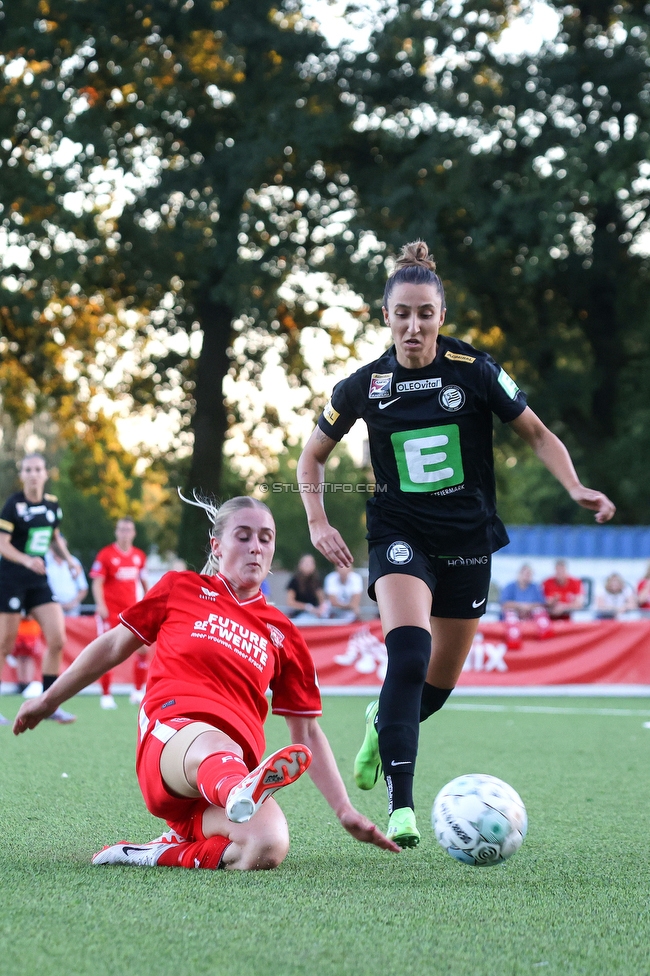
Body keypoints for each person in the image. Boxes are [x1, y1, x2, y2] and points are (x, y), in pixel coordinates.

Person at [297, 240, 616, 848]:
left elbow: (538, 433)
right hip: (398, 533)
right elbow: (312, 457)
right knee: (409, 657)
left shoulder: (475, 371)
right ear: (385, 316)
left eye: (424, 314)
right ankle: (402, 807)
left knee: (434, 689)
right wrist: (317, 520)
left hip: (468, 538)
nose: (413, 326)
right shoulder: (363, 386)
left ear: (441, 316)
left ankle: (378, 722)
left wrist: (574, 485)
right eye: (401, 314)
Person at [13, 495, 399, 870]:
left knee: (267, 845)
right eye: (243, 536)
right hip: (170, 741)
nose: (255, 548)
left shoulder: (284, 633)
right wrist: (48, 700)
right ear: (216, 545)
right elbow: (114, 644)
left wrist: (344, 809)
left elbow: (308, 733)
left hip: (225, 781)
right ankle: (236, 788)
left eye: (265, 539)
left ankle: (159, 851)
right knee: (216, 742)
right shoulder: (180, 588)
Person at [0, 453, 78, 726]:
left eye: (38, 469)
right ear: (22, 475)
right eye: (28, 470)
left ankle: (48, 704)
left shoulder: (52, 505)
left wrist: (69, 561)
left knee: (57, 639)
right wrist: (25, 560)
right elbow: (2, 544)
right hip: (10, 579)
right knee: (4, 644)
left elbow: (55, 537)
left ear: (46, 474)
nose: (33, 474)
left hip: (38, 580)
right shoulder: (13, 505)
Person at [90, 517, 149, 708]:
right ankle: (106, 695)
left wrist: (148, 603)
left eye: (128, 530)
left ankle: (138, 691)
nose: (125, 533)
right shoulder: (106, 555)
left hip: (131, 611)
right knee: (107, 652)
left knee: (143, 649)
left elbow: (144, 582)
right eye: (121, 529)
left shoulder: (139, 556)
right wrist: (101, 605)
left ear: (133, 533)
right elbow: (97, 582)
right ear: (116, 532)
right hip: (111, 612)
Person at [45, 537, 88, 617]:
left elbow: (83, 588)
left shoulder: (74, 562)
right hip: (50, 608)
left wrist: (72, 603)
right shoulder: (45, 561)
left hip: (72, 611)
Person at [285, 554, 327, 619]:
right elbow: (290, 602)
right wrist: (306, 607)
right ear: (300, 565)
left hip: (315, 615)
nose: (308, 565)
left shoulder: (316, 581)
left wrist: (321, 609)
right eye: (306, 563)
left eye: (310, 563)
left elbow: (321, 599)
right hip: (298, 614)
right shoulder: (294, 581)